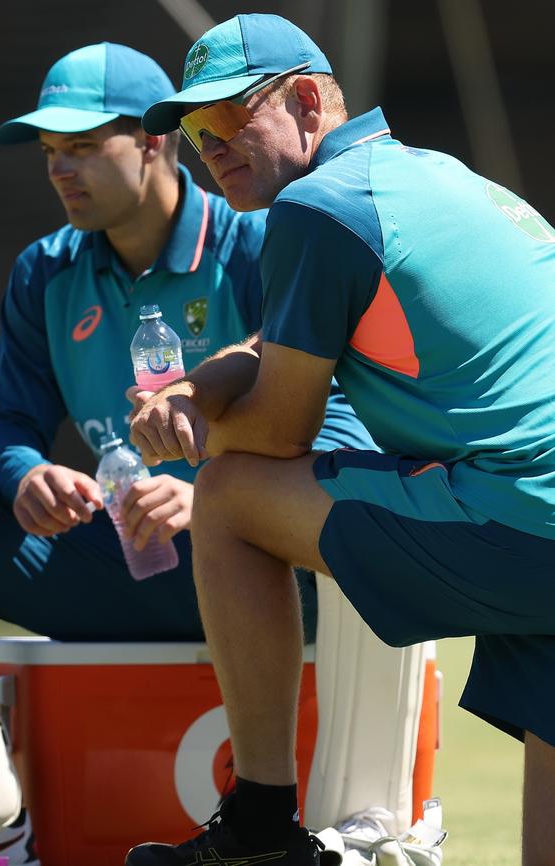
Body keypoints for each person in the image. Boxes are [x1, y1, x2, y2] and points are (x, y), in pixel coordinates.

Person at [0, 39, 432, 866]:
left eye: (82, 147)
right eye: (50, 153)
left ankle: (363, 836)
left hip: (274, 566)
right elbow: (4, 426)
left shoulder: (260, 241)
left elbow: (346, 417)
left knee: (379, 494)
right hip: (123, 567)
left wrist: (217, 499)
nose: (60, 170)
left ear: (154, 141)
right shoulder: (43, 272)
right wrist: (26, 476)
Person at [128, 12, 555, 866]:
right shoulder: (426, 175)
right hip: (535, 512)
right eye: (197, 132)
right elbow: (271, 347)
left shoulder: (319, 208)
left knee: (231, 495)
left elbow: (278, 436)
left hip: (526, 522)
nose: (212, 147)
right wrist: (193, 384)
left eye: (229, 118)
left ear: (310, 101)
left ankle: (259, 830)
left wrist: (190, 432)